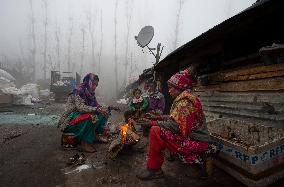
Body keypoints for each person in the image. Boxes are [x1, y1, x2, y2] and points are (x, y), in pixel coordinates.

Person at [136, 67, 212, 180]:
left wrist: (152, 122)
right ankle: (187, 164)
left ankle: (154, 169)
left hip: (197, 142)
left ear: (180, 87)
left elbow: (175, 126)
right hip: (194, 138)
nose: (169, 91)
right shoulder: (185, 99)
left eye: (172, 88)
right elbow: (175, 119)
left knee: (155, 131)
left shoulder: (185, 103)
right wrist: (157, 117)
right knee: (157, 129)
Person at [58, 73, 110, 153]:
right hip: (69, 122)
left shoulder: (90, 94)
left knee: (103, 113)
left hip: (79, 119)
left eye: (96, 85)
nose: (95, 87)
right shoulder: (78, 91)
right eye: (93, 84)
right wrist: (97, 109)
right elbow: (81, 108)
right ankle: (84, 142)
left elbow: (97, 106)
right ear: (88, 82)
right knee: (91, 116)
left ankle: (94, 134)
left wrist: (107, 109)